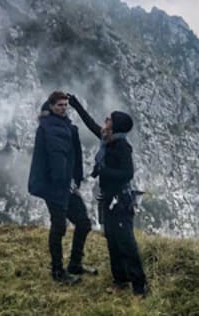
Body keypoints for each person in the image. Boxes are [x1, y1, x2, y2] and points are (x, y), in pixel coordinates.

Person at [67, 93, 149, 297]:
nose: (105, 120)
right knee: (112, 239)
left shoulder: (122, 146)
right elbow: (91, 124)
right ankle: (120, 280)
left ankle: (140, 287)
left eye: (109, 119)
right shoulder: (107, 138)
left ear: (116, 126)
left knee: (126, 243)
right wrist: (76, 104)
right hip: (107, 198)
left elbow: (127, 173)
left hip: (120, 201)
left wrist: (102, 171)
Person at [27, 91, 96, 284]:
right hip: (55, 187)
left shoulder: (64, 125)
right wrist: (65, 184)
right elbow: (57, 160)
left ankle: (75, 264)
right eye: (60, 105)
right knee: (59, 227)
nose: (64, 108)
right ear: (51, 106)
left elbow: (72, 157)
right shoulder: (50, 128)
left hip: (67, 185)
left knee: (83, 223)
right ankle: (57, 271)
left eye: (66, 105)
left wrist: (74, 180)